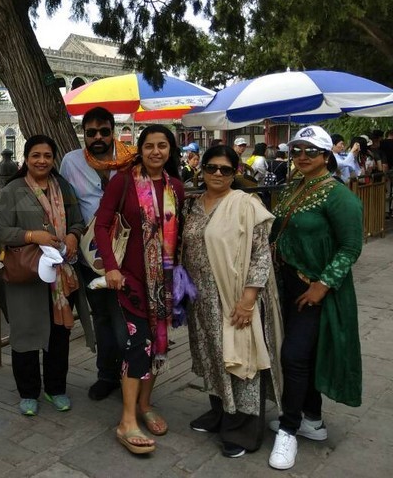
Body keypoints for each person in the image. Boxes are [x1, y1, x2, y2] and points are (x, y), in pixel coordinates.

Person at [267, 125, 363, 471]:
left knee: (293, 356)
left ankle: (289, 429)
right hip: (288, 284)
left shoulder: (340, 197)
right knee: (301, 354)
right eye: (297, 151)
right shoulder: (295, 186)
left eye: (311, 151)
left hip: (314, 289)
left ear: (327, 157)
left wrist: (323, 285)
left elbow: (351, 246)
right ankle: (313, 420)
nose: (302, 157)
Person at [182, 145, 283, 458]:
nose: (217, 174)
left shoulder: (245, 204)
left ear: (235, 172)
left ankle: (243, 429)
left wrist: (248, 299)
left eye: (225, 169)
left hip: (235, 296)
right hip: (202, 299)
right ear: (202, 169)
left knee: (241, 357)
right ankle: (221, 411)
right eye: (211, 167)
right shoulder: (193, 204)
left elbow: (260, 256)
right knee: (212, 356)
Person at [94, 124, 186, 455]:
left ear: (170, 151)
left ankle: (146, 405)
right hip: (130, 277)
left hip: (164, 282)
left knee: (159, 342)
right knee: (138, 344)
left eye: (163, 146)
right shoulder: (123, 181)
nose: (156, 152)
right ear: (140, 149)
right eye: (149, 146)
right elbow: (102, 225)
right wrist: (112, 267)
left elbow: (179, 234)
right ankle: (127, 421)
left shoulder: (176, 186)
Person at [0, 135, 85, 416]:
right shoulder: (12, 190)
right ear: (26, 158)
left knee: (59, 334)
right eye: (36, 155)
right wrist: (32, 235)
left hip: (60, 274)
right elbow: (1, 231)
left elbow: (79, 220)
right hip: (27, 274)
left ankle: (56, 389)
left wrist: (72, 234)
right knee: (25, 334)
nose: (42, 161)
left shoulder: (65, 188)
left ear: (53, 158)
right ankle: (28, 391)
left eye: (47, 155)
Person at [59, 106, 137, 401]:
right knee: (102, 314)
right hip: (91, 255)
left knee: (126, 316)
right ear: (84, 135)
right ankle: (107, 374)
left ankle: (132, 374)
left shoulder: (130, 160)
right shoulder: (71, 162)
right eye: (91, 132)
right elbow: (67, 204)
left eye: (104, 131)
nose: (98, 137)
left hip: (127, 252)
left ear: (113, 131)